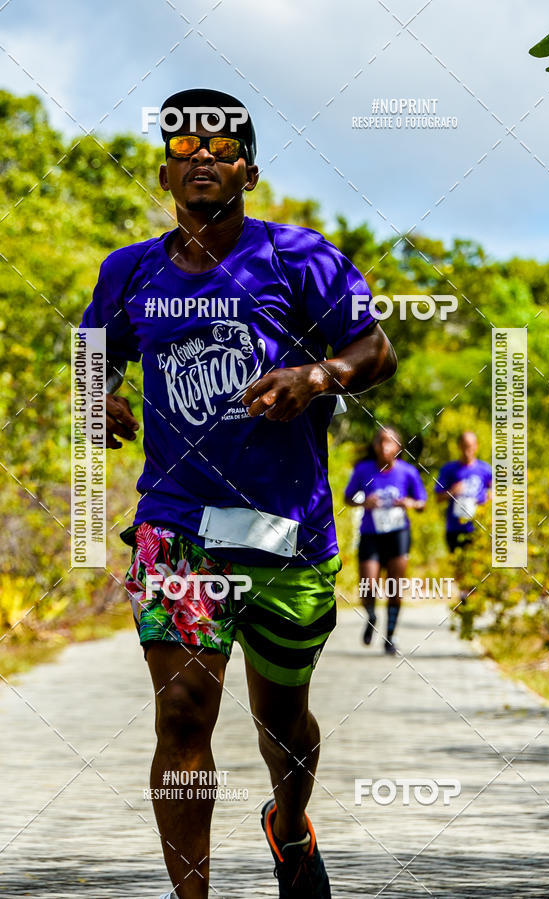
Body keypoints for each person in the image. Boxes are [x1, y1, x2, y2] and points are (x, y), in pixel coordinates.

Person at [79, 88, 396, 899]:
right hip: (176, 526)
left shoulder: (299, 258)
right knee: (183, 710)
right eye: (185, 150)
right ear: (165, 174)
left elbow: (376, 347)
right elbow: (91, 361)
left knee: (281, 726)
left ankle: (289, 825)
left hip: (287, 530)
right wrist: (97, 398)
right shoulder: (129, 273)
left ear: (249, 170)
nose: (204, 160)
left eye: (223, 149)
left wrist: (317, 374)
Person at [344, 427, 426, 655]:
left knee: (395, 586)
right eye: (379, 442)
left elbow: (422, 502)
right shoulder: (363, 470)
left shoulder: (408, 472)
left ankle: (390, 636)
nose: (383, 447)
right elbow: (347, 498)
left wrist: (409, 503)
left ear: (398, 448)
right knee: (368, 583)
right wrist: (364, 502)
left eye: (389, 442)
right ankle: (371, 617)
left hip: (398, 533)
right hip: (371, 533)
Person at [435, 431, 492, 555]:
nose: (468, 450)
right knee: (458, 568)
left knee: (478, 567)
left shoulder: (485, 469)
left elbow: (497, 491)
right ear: (459, 446)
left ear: (476, 446)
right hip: (455, 528)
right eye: (465, 446)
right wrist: (452, 492)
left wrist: (489, 498)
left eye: (470, 446)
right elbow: (438, 498)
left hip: (478, 528)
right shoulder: (449, 469)